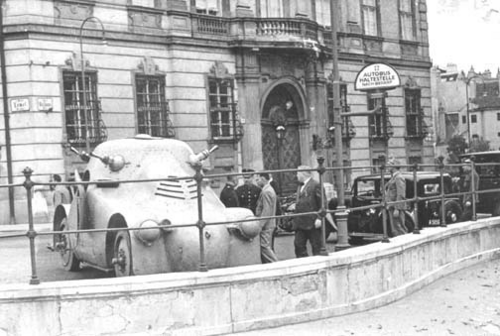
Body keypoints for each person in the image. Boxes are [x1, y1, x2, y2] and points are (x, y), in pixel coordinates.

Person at [292, 165, 323, 257]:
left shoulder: (315, 185)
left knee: (316, 246)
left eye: (298, 173)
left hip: (312, 222)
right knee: (298, 245)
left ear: (303, 174)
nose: (296, 175)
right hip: (300, 222)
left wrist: (319, 218)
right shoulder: (299, 186)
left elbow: (322, 203)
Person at [255, 172, 279, 263]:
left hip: (267, 225)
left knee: (265, 247)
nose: (256, 182)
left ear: (263, 179)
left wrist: (260, 225)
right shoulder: (267, 190)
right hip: (268, 224)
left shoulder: (267, 191)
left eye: (258, 179)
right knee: (265, 246)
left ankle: (277, 265)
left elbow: (267, 211)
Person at [385, 158, 408, 237]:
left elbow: (401, 194)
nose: (387, 166)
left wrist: (397, 208)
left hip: (396, 207)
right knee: (395, 229)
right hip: (392, 206)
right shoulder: (394, 177)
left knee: (399, 228)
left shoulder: (398, 177)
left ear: (394, 166)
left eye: (389, 165)